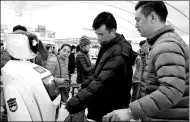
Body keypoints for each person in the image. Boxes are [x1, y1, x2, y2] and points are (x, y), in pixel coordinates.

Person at [102, 1, 189, 121]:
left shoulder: (167, 45)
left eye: (138, 20)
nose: (136, 25)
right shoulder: (163, 43)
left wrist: (131, 112)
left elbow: (171, 90)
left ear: (152, 17)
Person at [65, 12, 136, 121]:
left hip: (110, 109)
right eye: (97, 34)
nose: (98, 38)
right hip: (101, 104)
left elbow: (101, 82)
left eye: (101, 34)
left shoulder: (119, 52)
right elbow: (98, 74)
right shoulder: (107, 46)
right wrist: (85, 84)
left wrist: (72, 104)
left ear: (113, 31)